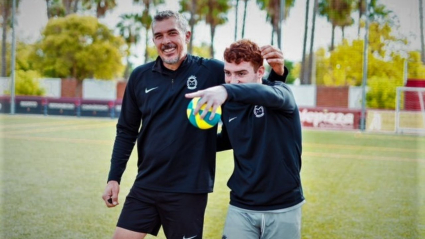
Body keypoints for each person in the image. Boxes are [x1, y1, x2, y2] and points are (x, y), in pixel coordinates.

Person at [101, 11, 287, 239]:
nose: (166, 41)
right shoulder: (140, 76)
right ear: (154, 41)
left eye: (172, 33)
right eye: (159, 36)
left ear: (186, 36)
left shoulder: (212, 71)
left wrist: (278, 74)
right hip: (147, 183)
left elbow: (255, 86)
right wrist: (114, 177)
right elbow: (127, 131)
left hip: (189, 188)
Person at [186, 39, 305, 239]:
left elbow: (266, 94)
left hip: (284, 206)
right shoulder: (229, 105)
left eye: (241, 73)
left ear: (260, 72)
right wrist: (190, 142)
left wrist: (224, 90)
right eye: (228, 73)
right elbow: (231, 138)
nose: (232, 80)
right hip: (241, 205)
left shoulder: (281, 93)